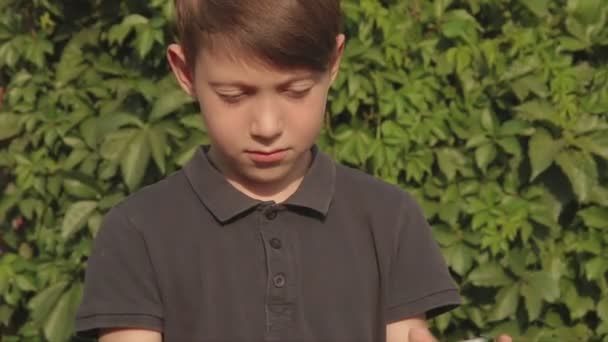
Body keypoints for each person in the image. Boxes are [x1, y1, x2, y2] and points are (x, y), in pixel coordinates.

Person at [75, 1, 512, 341]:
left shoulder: (389, 218)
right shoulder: (137, 231)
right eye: (233, 95)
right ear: (185, 71)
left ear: (334, 62)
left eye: (295, 91)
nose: (267, 126)